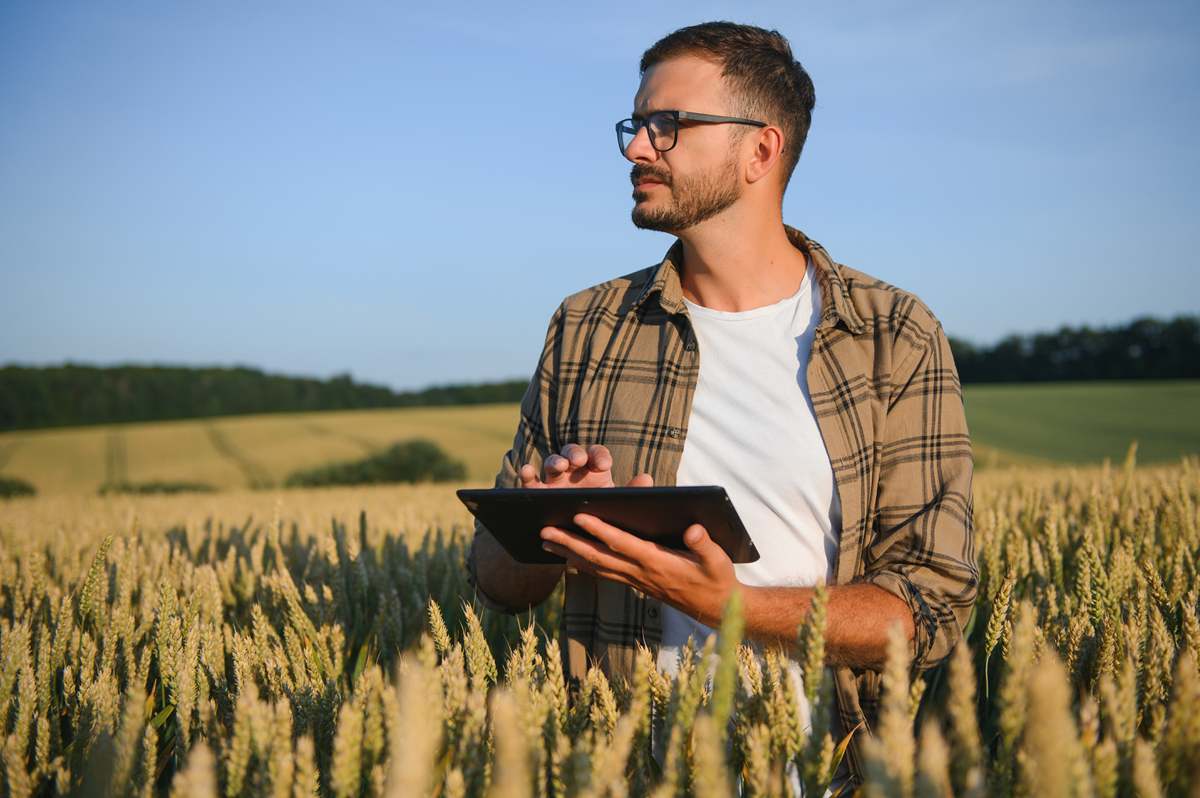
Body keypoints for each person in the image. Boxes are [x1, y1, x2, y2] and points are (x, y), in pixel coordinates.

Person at [467, 21, 976, 789]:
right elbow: (497, 587)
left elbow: (925, 612)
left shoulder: (892, 334)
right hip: (624, 770)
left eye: (667, 126)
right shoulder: (586, 327)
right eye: (635, 126)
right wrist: (546, 528)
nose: (639, 148)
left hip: (827, 774)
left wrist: (728, 604)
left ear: (760, 151)